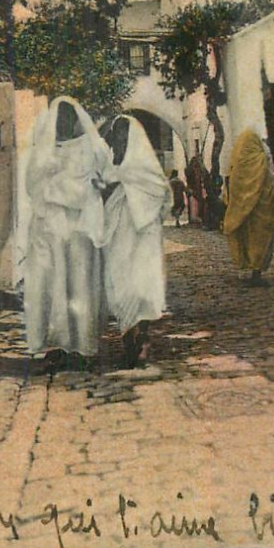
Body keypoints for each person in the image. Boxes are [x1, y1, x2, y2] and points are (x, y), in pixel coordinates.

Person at [24, 96, 115, 372]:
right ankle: (56, 346)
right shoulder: (44, 150)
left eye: (68, 116)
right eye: (59, 117)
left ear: (76, 119)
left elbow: (107, 177)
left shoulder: (91, 146)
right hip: (52, 225)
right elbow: (31, 185)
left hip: (80, 226)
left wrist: (93, 194)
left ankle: (84, 347)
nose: (63, 122)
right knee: (51, 285)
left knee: (81, 285)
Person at [102, 114, 172, 367]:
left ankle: (142, 338)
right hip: (117, 239)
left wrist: (128, 185)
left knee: (142, 288)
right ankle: (127, 340)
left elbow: (162, 196)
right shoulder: (108, 169)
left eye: (123, 137)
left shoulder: (147, 169)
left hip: (143, 239)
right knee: (120, 288)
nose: (118, 143)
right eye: (116, 137)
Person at [223, 129, 274, 286]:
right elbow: (272, 182)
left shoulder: (236, 165)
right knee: (260, 240)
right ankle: (257, 273)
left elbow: (230, 189)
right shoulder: (262, 159)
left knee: (245, 237)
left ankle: (245, 269)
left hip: (241, 212)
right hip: (262, 210)